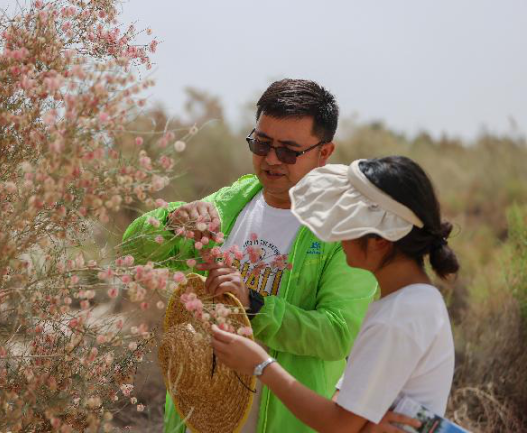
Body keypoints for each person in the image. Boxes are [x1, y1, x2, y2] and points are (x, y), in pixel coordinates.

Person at [122, 79, 378, 432]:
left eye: (289, 150)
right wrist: (169, 222)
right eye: (261, 143)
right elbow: (134, 249)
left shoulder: (342, 231)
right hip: (196, 418)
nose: (271, 159)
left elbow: (337, 334)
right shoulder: (233, 202)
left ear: (324, 152)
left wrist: (254, 305)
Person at [211, 156, 459, 433]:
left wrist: (260, 365)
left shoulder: (396, 317)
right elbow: (349, 410)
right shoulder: (413, 302)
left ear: (379, 240)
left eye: (346, 226)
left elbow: (338, 425)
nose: (337, 238)